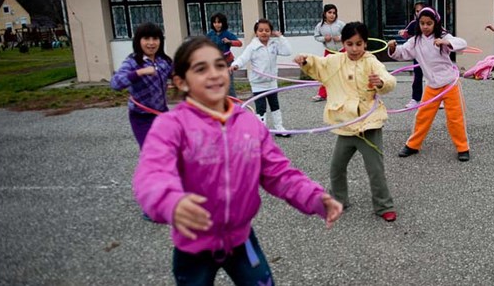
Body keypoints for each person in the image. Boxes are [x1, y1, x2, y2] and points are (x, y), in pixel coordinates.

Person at [134, 36, 343, 285]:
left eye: (219, 65)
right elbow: (152, 174)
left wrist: (315, 198)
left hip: (241, 240)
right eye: (201, 69)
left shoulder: (249, 123)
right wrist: (171, 202)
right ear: (181, 81)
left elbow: (279, 173)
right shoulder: (171, 125)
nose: (214, 74)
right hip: (192, 246)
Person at [295, 22, 398, 222]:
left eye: (359, 44)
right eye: (349, 44)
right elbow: (318, 64)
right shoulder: (335, 61)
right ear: (343, 43)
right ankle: (338, 200)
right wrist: (304, 60)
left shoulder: (371, 61)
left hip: (368, 126)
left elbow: (387, 77)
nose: (354, 49)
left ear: (366, 44)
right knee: (336, 168)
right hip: (345, 126)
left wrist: (382, 82)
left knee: (375, 170)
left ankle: (384, 206)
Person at [387, 7, 471, 162]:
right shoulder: (415, 41)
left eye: (429, 23)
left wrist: (446, 42)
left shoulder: (442, 36)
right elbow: (401, 52)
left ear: (435, 24)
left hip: (450, 83)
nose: (425, 26)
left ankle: (462, 148)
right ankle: (413, 145)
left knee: (455, 118)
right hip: (432, 85)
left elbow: (462, 43)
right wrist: (392, 48)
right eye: (422, 23)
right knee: (422, 117)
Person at [110, 22, 173, 149]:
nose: (151, 43)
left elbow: (180, 75)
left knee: (170, 150)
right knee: (151, 151)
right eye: (146, 38)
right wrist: (140, 72)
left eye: (155, 38)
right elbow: (115, 83)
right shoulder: (133, 62)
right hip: (141, 118)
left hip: (161, 114)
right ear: (138, 41)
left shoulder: (164, 61)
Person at [230, 19, 291, 138]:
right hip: (258, 82)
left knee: (275, 105)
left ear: (271, 32)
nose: (264, 33)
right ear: (256, 32)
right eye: (261, 30)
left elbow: (288, 51)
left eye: (267, 30)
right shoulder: (252, 47)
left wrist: (281, 37)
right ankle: (261, 130)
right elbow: (243, 58)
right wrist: (236, 65)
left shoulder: (274, 44)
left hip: (271, 81)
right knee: (261, 107)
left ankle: (279, 127)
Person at [311, 4, 345, 102]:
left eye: (334, 13)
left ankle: (346, 93)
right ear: (325, 13)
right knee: (326, 73)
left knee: (344, 72)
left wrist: (341, 38)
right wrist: (324, 38)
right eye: (329, 12)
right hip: (329, 51)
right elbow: (316, 36)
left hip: (342, 51)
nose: (332, 15)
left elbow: (349, 33)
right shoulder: (320, 26)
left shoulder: (340, 24)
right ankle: (322, 94)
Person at [206, 13, 242, 97]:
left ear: (223, 23)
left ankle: (234, 104)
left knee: (229, 85)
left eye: (219, 22)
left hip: (227, 62)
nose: (217, 25)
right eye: (215, 22)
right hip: (215, 63)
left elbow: (239, 43)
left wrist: (230, 42)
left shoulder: (227, 34)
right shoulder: (210, 34)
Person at [398, 1, 426, 108]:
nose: (419, 13)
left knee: (433, 78)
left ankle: (438, 99)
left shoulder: (434, 23)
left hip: (432, 56)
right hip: (418, 56)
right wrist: (402, 33)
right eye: (417, 11)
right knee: (417, 77)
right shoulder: (414, 23)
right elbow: (406, 33)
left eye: (421, 11)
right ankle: (415, 99)